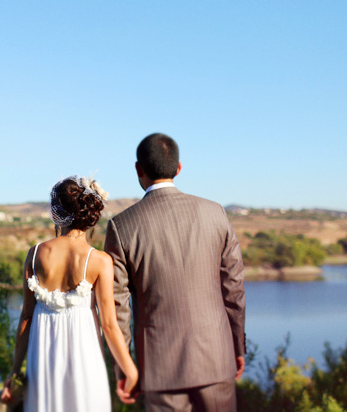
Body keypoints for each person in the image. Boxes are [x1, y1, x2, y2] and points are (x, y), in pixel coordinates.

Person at [104, 133, 246, 411]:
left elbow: (117, 306)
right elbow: (234, 288)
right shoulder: (215, 213)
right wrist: (237, 347)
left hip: (159, 369)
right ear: (179, 168)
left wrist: (124, 369)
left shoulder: (121, 226)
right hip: (217, 359)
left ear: (138, 169)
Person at [1, 175, 138, 411]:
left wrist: (15, 372)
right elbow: (109, 325)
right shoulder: (99, 261)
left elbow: (26, 317)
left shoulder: (34, 255)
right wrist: (130, 370)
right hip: (84, 358)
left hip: (41, 358)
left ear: (56, 214)